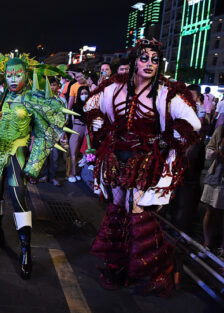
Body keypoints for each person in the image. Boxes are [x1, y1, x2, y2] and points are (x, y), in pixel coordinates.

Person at [85, 38, 200, 297]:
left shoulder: (167, 93)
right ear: (134, 61)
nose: (149, 64)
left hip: (144, 162)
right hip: (116, 158)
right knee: (117, 212)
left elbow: (193, 124)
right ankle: (117, 267)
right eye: (144, 58)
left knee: (138, 214)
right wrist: (99, 125)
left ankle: (162, 270)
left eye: (155, 60)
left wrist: (163, 139)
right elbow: (91, 106)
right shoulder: (115, 88)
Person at [0, 49, 75, 279]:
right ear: (4, 76)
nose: (13, 79)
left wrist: (35, 162)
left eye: (18, 75)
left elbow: (48, 129)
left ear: (25, 75)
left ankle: (25, 249)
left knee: (19, 200)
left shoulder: (33, 99)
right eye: (9, 75)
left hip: (17, 154)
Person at [201, 125, 224, 255]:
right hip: (216, 175)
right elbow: (208, 150)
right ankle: (207, 242)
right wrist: (217, 152)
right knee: (210, 210)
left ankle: (222, 247)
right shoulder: (221, 129)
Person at [67, 86, 89, 183]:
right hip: (77, 128)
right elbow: (80, 116)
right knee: (73, 152)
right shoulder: (76, 105)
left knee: (82, 153)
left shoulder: (90, 104)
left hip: (86, 129)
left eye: (86, 93)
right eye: (82, 93)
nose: (84, 95)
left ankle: (77, 173)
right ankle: (71, 173)